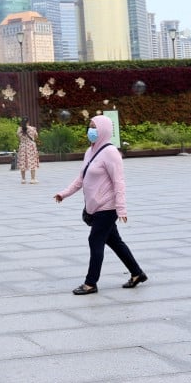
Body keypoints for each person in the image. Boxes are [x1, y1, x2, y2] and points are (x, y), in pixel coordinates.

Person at [53, 114, 146, 295]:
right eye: (89, 126)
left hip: (107, 207)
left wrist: (121, 209)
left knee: (94, 240)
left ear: (103, 129)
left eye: (94, 127)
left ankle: (90, 283)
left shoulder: (111, 153)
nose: (91, 131)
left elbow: (119, 182)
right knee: (115, 242)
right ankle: (137, 273)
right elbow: (81, 178)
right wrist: (64, 194)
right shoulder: (90, 151)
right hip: (94, 206)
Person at [16, 117, 40, 184]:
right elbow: (36, 137)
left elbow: (18, 137)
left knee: (22, 162)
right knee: (32, 161)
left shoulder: (19, 129)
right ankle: (33, 179)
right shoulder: (32, 129)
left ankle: (23, 179)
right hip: (31, 146)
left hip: (22, 146)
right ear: (28, 122)